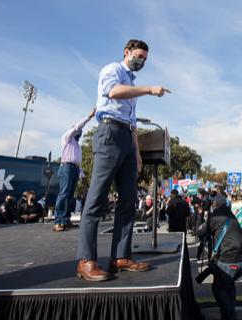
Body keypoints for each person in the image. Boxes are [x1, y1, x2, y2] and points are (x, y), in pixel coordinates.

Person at [76, 39, 171, 282]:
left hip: (127, 138)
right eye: (139, 56)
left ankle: (120, 256)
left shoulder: (132, 82)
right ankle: (86, 260)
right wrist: (150, 89)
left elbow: (132, 120)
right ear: (127, 52)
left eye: (145, 59)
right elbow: (113, 92)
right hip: (110, 133)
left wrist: (136, 150)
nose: (142, 61)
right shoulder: (113, 70)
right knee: (96, 200)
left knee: (128, 200)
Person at [197, 195, 242, 320]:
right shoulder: (229, 213)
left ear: (216, 205)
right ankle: (229, 314)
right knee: (229, 284)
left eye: (212, 203)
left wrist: (200, 214)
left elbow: (200, 232)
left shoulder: (216, 216)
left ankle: (230, 316)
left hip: (231, 259)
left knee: (218, 288)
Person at [53, 108, 95, 232]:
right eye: (78, 130)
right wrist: (90, 116)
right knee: (63, 194)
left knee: (70, 195)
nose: (79, 132)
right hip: (66, 167)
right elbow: (77, 127)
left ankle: (66, 220)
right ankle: (57, 221)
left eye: (81, 131)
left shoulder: (77, 146)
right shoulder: (67, 138)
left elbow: (78, 161)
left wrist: (81, 174)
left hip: (75, 168)